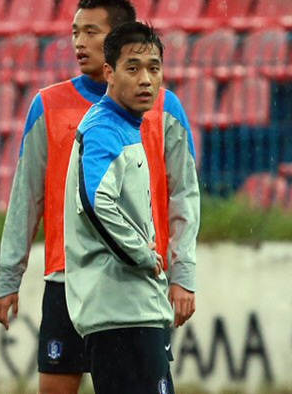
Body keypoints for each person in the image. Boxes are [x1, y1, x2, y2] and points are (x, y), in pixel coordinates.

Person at [0, 0, 199, 394]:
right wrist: (8, 276)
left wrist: (183, 272)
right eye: (74, 32)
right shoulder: (48, 104)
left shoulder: (164, 106)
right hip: (65, 277)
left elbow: (184, 196)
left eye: (91, 32)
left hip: (133, 281)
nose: (79, 42)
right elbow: (27, 197)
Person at [64, 21, 176, 394]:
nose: (146, 79)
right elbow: (96, 203)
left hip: (134, 310)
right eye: (133, 68)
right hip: (120, 312)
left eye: (154, 68)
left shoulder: (125, 125)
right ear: (109, 72)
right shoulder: (103, 129)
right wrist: (141, 255)